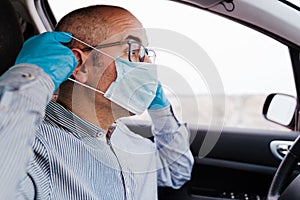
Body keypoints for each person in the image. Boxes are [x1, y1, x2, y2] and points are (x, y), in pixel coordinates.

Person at [0, 5, 194, 200]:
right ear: (81, 65)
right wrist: (31, 77)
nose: (148, 66)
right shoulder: (34, 150)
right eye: (134, 51)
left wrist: (161, 111)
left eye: (145, 54)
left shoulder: (127, 140)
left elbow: (178, 172)